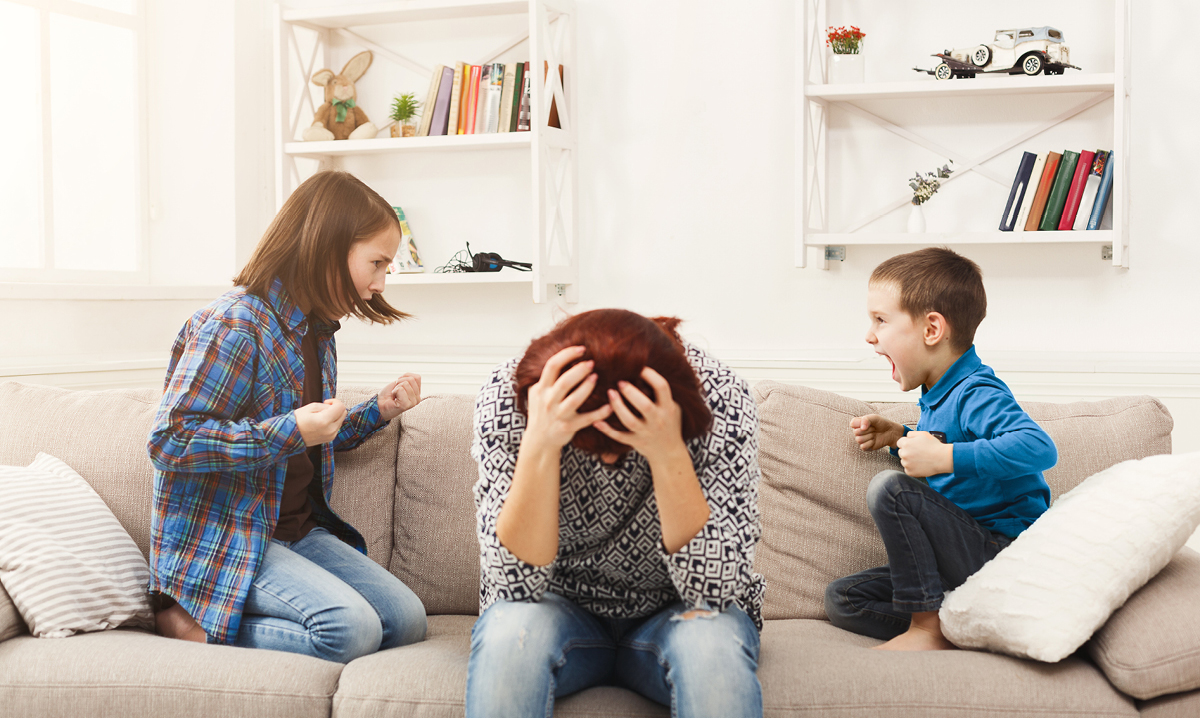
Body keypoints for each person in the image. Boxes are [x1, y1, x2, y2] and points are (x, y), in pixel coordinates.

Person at [146, 170, 427, 662]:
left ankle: (225, 614)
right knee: (351, 631)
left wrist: (378, 412)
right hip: (227, 539)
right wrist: (290, 429)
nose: (380, 283)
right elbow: (170, 441)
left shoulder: (316, 331)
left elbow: (309, 436)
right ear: (326, 245)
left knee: (406, 620)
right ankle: (187, 622)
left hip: (294, 530)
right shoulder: (235, 324)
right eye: (377, 263)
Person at [467, 309, 764, 718]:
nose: (608, 461)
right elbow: (514, 585)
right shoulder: (515, 395)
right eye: (590, 449)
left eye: (623, 448)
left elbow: (713, 591)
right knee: (507, 635)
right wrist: (540, 443)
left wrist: (667, 451)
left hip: (677, 610)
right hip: (557, 604)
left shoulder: (721, 395)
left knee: (711, 646)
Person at [825, 247, 1057, 651]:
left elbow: (1038, 447)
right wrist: (899, 437)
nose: (869, 335)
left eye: (880, 320)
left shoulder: (976, 390)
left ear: (932, 329)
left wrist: (944, 459)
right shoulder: (936, 392)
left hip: (1001, 556)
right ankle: (961, 625)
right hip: (959, 561)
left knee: (890, 488)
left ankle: (927, 627)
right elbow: (947, 441)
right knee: (844, 598)